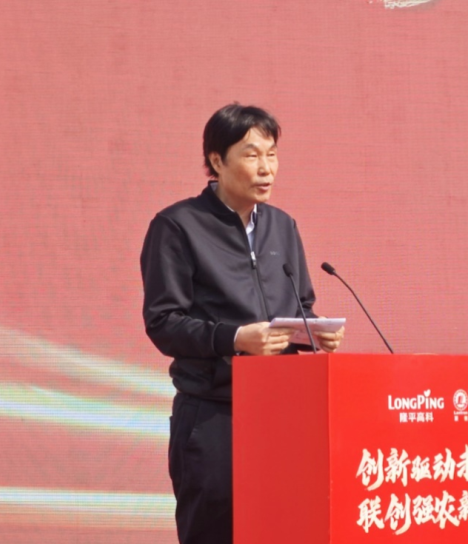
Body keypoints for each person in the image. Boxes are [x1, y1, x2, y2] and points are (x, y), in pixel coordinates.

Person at [140, 103, 344, 544]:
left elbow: (301, 305)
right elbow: (163, 322)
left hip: (282, 413)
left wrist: (315, 331)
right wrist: (233, 339)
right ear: (217, 161)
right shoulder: (177, 226)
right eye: (252, 155)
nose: (266, 168)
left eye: (272, 155)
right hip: (214, 414)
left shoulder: (283, 227)